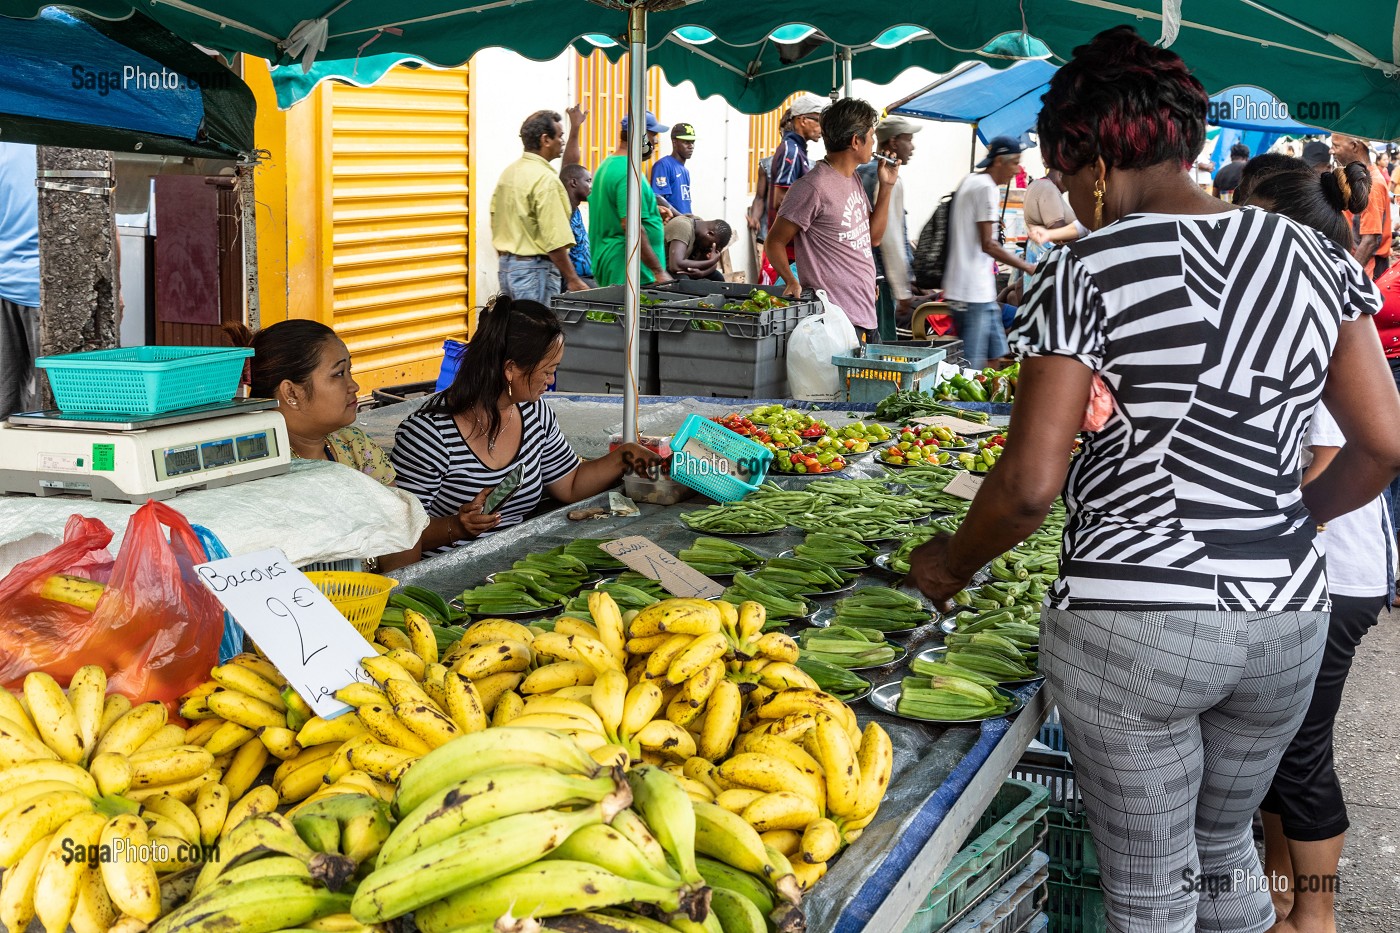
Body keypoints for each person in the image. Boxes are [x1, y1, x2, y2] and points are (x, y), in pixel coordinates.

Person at [904, 25, 1400, 933]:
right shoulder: (1319, 257)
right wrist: (1288, 517)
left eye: (1062, 174)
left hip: (1134, 622)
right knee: (1224, 852)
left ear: (1087, 156)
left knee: (1149, 893)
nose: (1068, 200)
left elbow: (1026, 485)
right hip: (1286, 616)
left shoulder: (1086, 267)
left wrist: (948, 564)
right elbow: (1381, 445)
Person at [1238, 160, 1391, 933]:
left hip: (1336, 576)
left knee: (1299, 749)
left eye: (1244, 212)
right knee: (1271, 749)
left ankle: (1317, 918)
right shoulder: (1286, 297)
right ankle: (1279, 897)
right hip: (1302, 573)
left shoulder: (1324, 303)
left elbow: (1336, 463)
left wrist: (1281, 528)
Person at [391, 297, 661, 554]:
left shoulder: (535, 414)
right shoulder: (428, 436)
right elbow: (398, 534)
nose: (551, 380)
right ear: (510, 369)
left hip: (514, 560)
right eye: (547, 371)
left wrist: (626, 455)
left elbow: (570, 483)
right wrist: (457, 527)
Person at [222, 320, 426, 571]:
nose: (354, 386)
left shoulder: (355, 446)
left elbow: (400, 532)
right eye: (339, 374)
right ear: (291, 393)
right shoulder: (258, 462)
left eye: (349, 371)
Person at [764, 98, 897, 343]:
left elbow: (873, 237)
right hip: (836, 322)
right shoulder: (812, 187)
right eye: (871, 135)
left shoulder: (852, 178)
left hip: (864, 312)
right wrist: (792, 280)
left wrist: (886, 187)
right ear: (856, 141)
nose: (874, 142)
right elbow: (774, 242)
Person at [942, 136, 1036, 369]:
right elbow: (989, 244)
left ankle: (988, 404)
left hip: (980, 292)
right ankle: (971, 406)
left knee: (995, 354)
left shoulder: (970, 181)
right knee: (971, 365)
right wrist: (1027, 266)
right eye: (1014, 163)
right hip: (971, 293)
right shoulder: (986, 188)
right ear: (999, 162)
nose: (1017, 170)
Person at [490, 110, 587, 303]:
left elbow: (496, 220)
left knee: (518, 325)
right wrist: (572, 279)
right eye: (560, 136)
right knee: (539, 329)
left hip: (508, 267)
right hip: (535, 270)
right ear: (546, 140)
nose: (562, 141)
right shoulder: (546, 179)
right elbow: (555, 240)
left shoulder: (509, 173)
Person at [589, 112, 673, 288]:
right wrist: (658, 270)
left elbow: (614, 211)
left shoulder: (609, 164)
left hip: (616, 265)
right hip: (630, 271)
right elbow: (631, 226)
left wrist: (651, 212)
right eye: (652, 135)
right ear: (638, 135)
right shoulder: (628, 172)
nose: (655, 142)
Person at [857, 115, 925, 331]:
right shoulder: (888, 178)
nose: (912, 147)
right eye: (909, 139)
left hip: (862, 274)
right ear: (894, 142)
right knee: (881, 347)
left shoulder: (861, 170)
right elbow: (891, 240)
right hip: (881, 279)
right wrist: (902, 290)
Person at [761, 94, 826, 285]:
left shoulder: (799, 150)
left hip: (794, 245)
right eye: (818, 121)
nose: (821, 129)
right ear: (803, 120)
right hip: (788, 247)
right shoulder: (791, 150)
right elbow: (781, 200)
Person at [0, 143, 39, 420]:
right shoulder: (68, 134)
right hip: (52, 292)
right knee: (62, 403)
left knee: (4, 403)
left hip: (7, 286)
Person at [1332, 133, 1392, 278]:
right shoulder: (1359, 179)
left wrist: (1348, 279)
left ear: (1353, 146)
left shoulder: (1371, 185)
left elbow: (1369, 241)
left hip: (1367, 270)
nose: (1331, 150)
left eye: (1336, 145)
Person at [1022, 168, 1084, 287]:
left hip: (1039, 253)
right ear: (1060, 174)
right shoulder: (1048, 188)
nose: (1069, 188)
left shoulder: (1037, 184)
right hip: (1048, 257)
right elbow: (1057, 229)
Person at [664, 215, 731, 280]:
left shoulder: (700, 229)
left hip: (680, 268)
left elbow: (712, 266)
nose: (710, 248)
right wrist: (711, 261)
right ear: (710, 234)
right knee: (685, 281)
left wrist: (702, 273)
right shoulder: (683, 226)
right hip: (663, 267)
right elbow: (675, 266)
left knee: (718, 278)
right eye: (711, 246)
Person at [560, 164, 596, 288]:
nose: (591, 186)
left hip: (586, 277)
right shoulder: (564, 211)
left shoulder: (576, 209)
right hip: (574, 280)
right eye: (588, 181)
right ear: (574, 182)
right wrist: (573, 280)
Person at [651, 123, 696, 216]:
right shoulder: (663, 165)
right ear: (674, 143)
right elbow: (658, 198)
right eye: (686, 142)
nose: (691, 146)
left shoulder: (685, 171)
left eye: (692, 142)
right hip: (674, 225)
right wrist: (682, 218)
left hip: (686, 224)